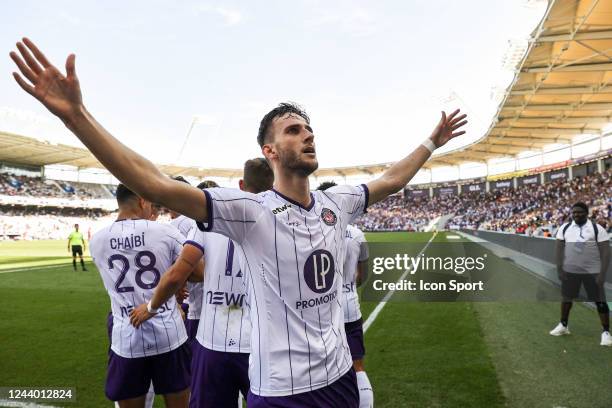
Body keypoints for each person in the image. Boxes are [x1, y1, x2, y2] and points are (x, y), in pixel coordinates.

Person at [9, 38, 467, 407]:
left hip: (340, 377)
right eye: (293, 129)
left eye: (308, 129)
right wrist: (77, 118)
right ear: (270, 151)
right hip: (284, 391)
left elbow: (390, 179)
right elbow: (156, 182)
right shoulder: (251, 212)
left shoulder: (339, 203)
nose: (306, 134)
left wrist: (432, 140)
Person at [131, 158, 274, 408]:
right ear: (273, 186)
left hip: (213, 343)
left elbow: (177, 273)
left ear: (241, 184)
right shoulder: (281, 222)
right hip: (260, 342)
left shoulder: (209, 219)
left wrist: (151, 307)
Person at [89, 184, 202, 407]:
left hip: (127, 336)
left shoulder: (97, 240)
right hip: (169, 334)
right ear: (142, 200)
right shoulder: (165, 231)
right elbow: (198, 273)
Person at [318, 181, 373, 407]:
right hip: (350, 305)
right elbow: (364, 274)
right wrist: (349, 285)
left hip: (323, 309)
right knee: (357, 364)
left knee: (324, 369)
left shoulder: (316, 231)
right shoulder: (358, 234)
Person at [550, 202, 611, 346]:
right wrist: (559, 268)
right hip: (571, 270)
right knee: (566, 298)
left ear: (587, 213)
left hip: (592, 271)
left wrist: (602, 274)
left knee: (599, 300)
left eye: (580, 212)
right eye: (574, 212)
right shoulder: (565, 228)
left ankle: (606, 332)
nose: (576, 214)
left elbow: (606, 253)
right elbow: (559, 249)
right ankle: (563, 325)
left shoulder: (597, 229)